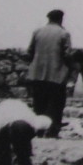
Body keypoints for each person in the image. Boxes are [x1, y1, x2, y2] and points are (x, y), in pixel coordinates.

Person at [26, 9, 72, 138]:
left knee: (39, 104)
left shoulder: (37, 32)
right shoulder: (64, 33)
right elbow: (67, 54)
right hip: (56, 76)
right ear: (61, 19)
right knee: (56, 105)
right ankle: (52, 132)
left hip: (37, 75)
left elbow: (29, 52)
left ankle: (38, 131)